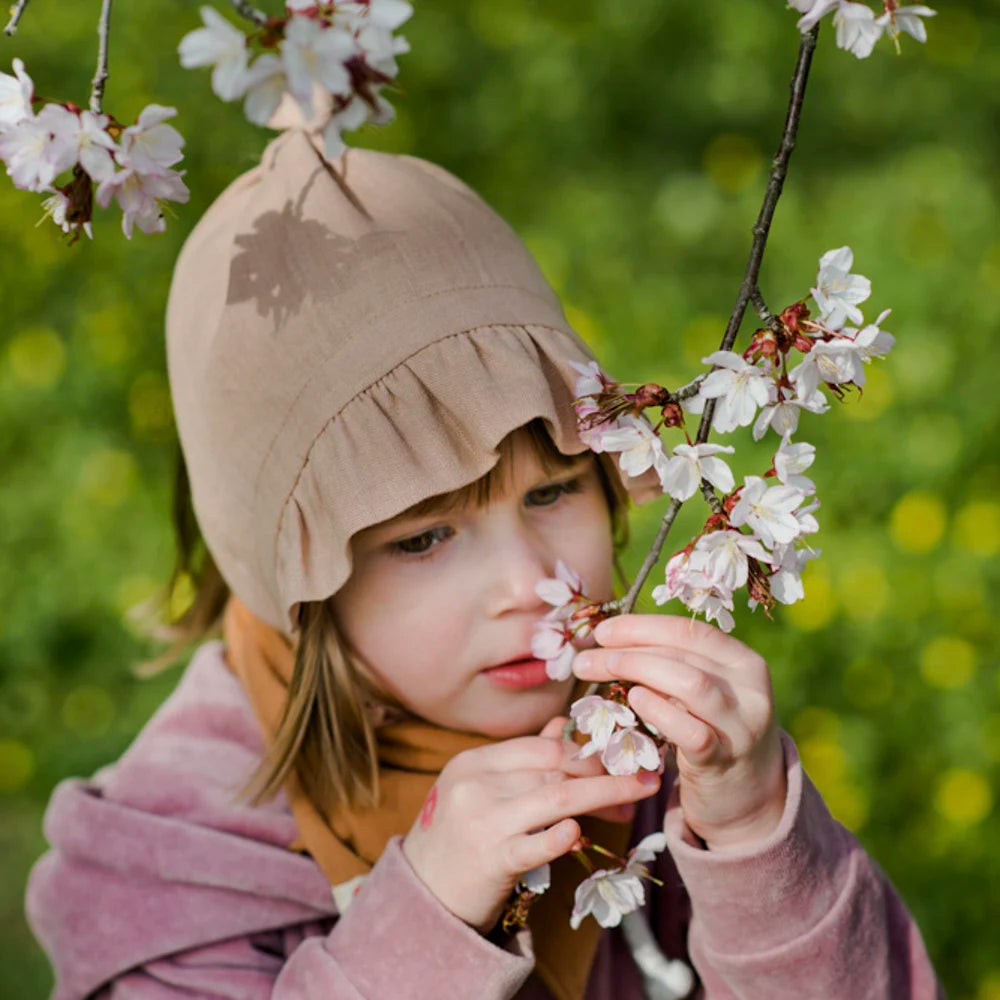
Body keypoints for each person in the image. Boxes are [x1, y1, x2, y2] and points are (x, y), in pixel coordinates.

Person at [25, 122, 944, 1000]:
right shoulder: (172, 861)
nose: (526, 587)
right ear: (299, 587)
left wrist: (753, 836)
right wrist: (426, 919)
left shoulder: (649, 761)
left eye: (552, 493)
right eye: (422, 537)